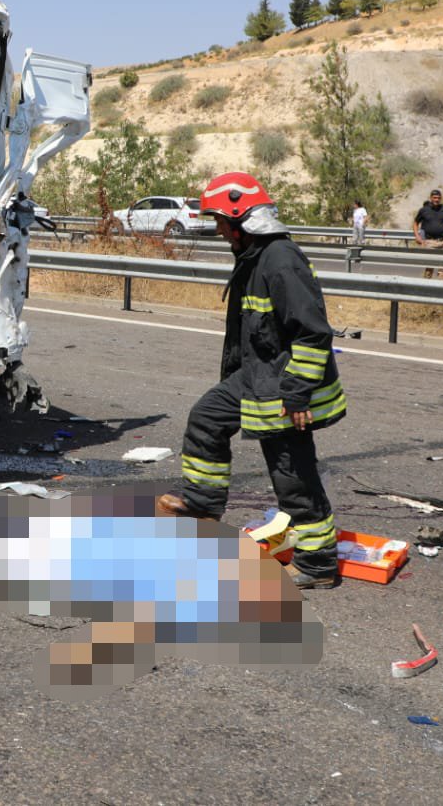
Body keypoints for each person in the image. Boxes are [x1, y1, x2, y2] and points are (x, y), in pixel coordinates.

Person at [155, 171, 348, 589]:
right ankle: (203, 506)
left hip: (287, 385)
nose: (218, 230)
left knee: (292, 474)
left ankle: (318, 563)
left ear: (242, 219)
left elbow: (313, 332)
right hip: (258, 375)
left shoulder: (280, 260)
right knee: (207, 417)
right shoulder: (253, 256)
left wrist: (297, 394)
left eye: (221, 221)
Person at [413, 188, 443, 277]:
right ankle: (426, 284)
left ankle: (441, 284)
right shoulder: (424, 210)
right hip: (430, 242)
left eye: (439, 198)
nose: (437, 200)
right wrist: (417, 236)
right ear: (431, 198)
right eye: (435, 197)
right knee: (430, 266)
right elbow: (415, 223)